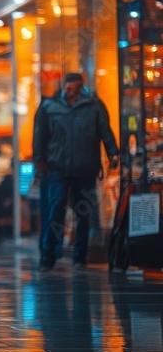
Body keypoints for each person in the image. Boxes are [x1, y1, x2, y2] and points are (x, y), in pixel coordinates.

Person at [33, 72, 119, 271]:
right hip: (57, 167)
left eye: (74, 87)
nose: (70, 90)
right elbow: (40, 135)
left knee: (83, 213)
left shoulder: (94, 105)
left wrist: (113, 155)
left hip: (85, 167)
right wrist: (39, 160)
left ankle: (80, 256)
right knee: (56, 210)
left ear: (80, 87)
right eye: (68, 86)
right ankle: (49, 255)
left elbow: (105, 131)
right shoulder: (49, 106)